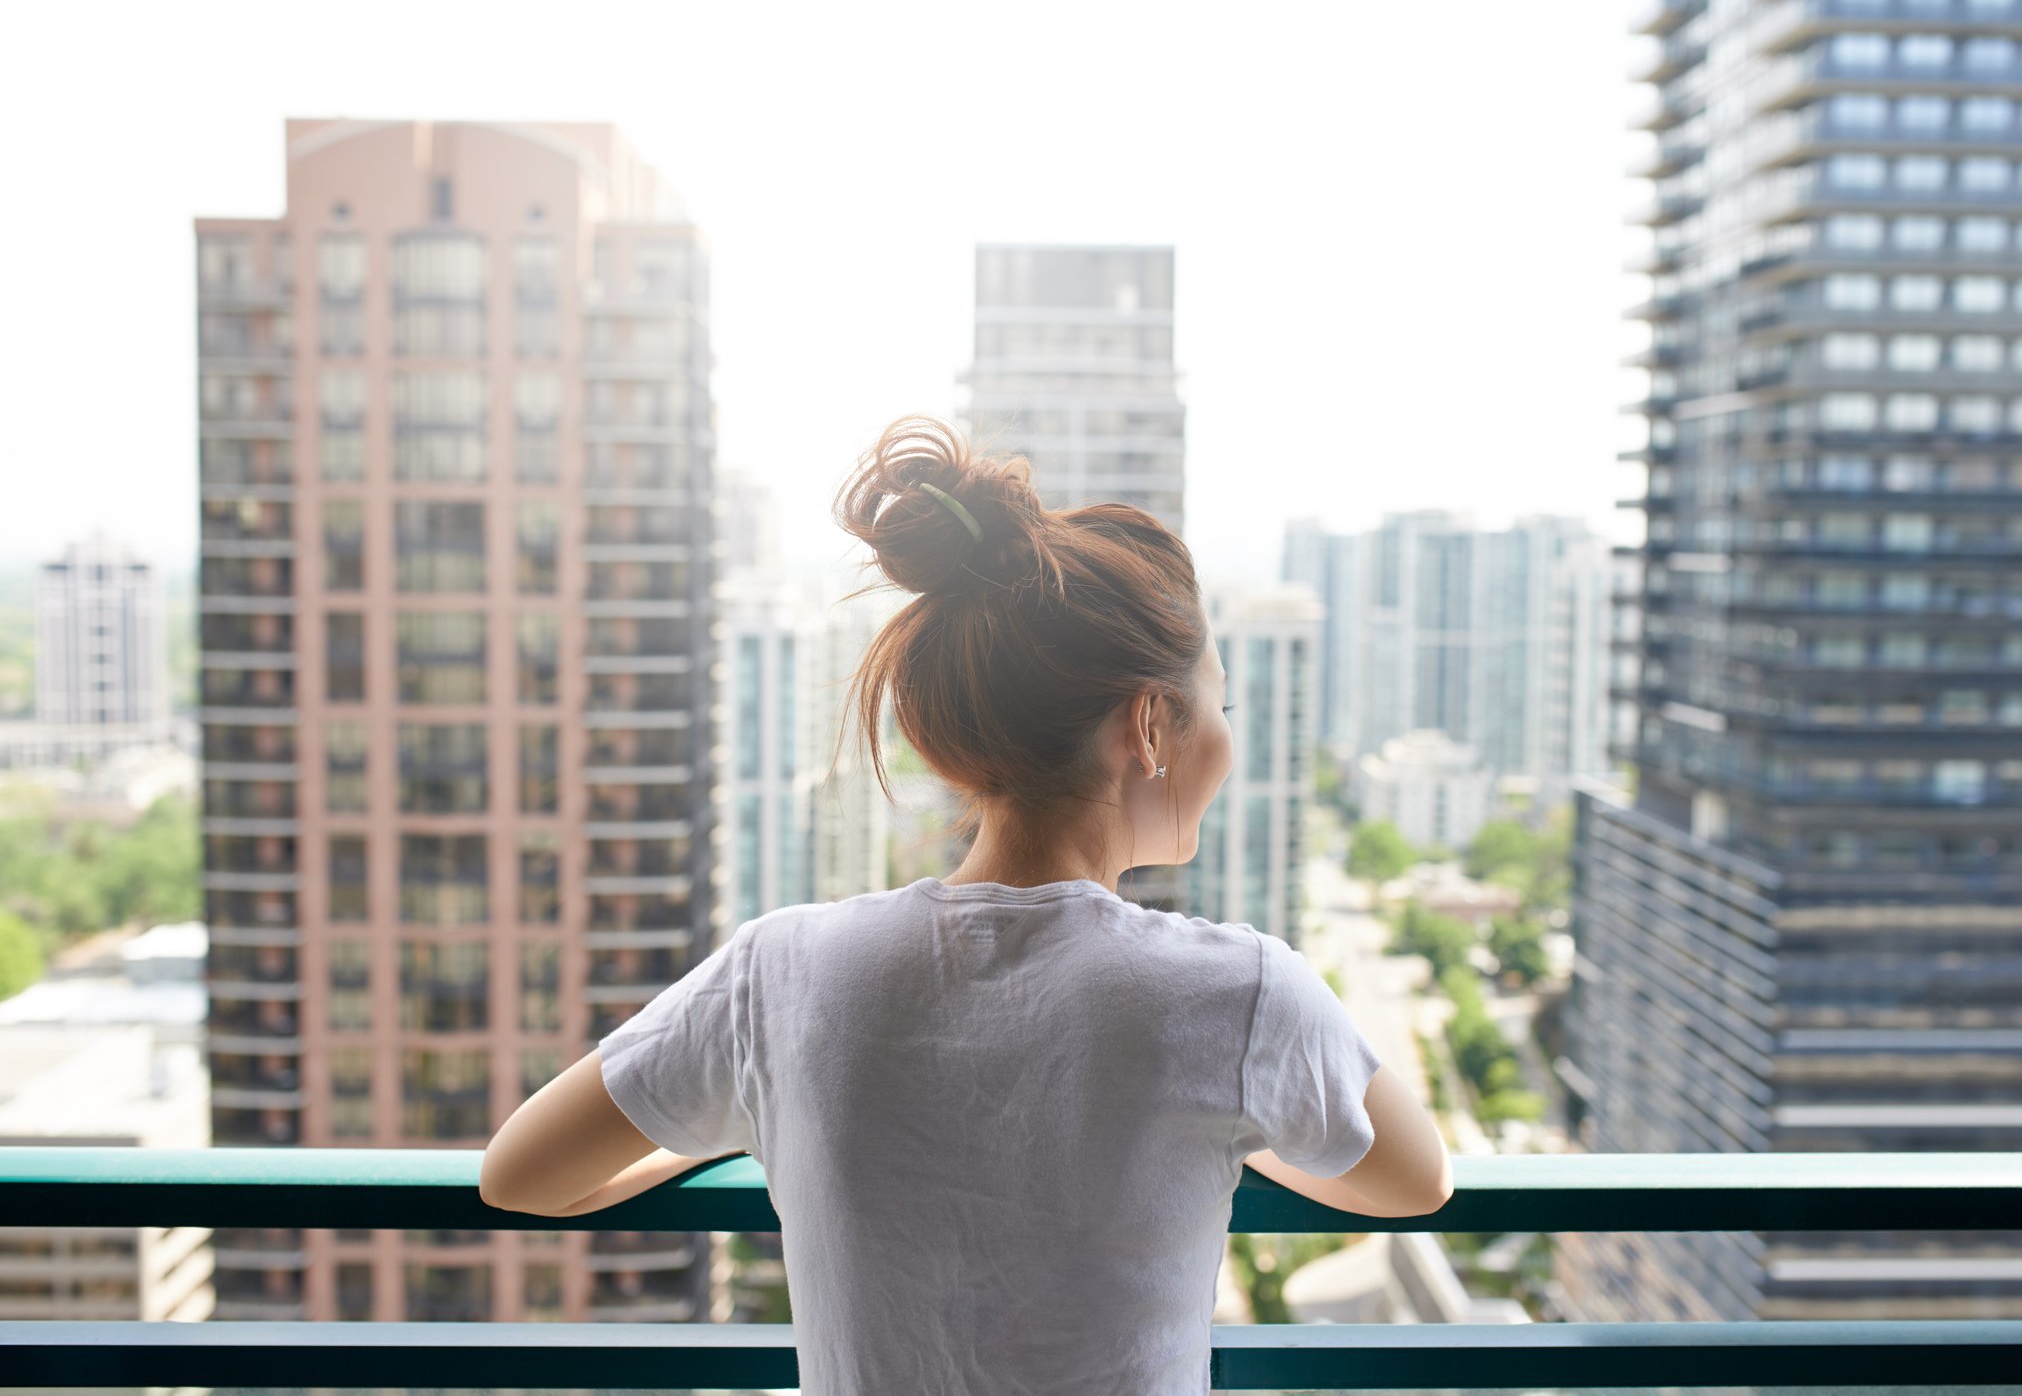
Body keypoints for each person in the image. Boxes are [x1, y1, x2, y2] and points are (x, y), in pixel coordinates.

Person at [480, 414, 1454, 1393]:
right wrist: (1237, 1128)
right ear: (1150, 725)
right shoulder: (1240, 994)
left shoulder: (783, 972)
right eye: (1221, 705)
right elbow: (1414, 1179)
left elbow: (520, 1173)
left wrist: (761, 1129)